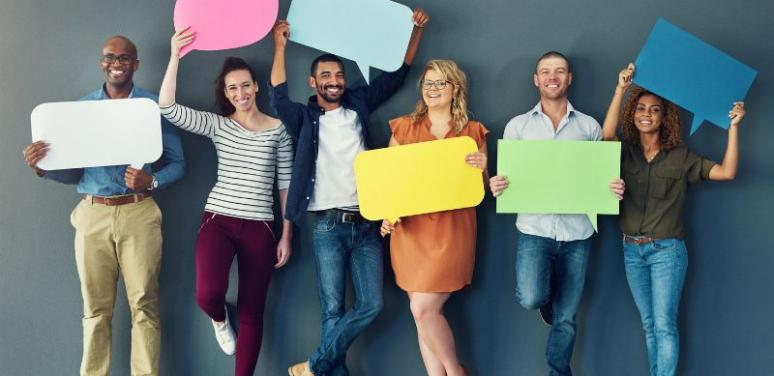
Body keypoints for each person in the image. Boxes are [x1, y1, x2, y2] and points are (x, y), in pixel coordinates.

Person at [269, 9, 429, 376]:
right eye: (326, 75)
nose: (335, 80)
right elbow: (277, 98)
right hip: (326, 225)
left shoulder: (358, 105)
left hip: (367, 222)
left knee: (372, 304)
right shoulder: (304, 118)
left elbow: (398, 76)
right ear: (313, 82)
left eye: (339, 75)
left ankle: (313, 366)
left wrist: (415, 32)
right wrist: (279, 46)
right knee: (332, 309)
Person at [21, 35, 185, 376]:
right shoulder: (80, 110)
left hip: (139, 213)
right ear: (102, 62)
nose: (117, 63)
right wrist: (43, 168)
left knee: (144, 305)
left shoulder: (152, 108)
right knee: (95, 309)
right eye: (111, 57)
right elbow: (74, 172)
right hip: (92, 214)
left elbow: (178, 163)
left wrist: (151, 181)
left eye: (125, 58)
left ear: (135, 64)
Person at [157, 28, 294, 376]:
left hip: (261, 227)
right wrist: (174, 55)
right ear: (226, 93)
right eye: (232, 88)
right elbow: (167, 108)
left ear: (256, 86)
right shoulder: (219, 125)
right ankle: (219, 320)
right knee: (207, 294)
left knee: (252, 311)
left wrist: (286, 234)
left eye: (245, 85)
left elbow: (286, 184)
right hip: (219, 220)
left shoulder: (278, 129)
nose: (240, 93)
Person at [601, 63, 745, 376]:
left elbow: (727, 171)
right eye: (640, 109)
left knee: (664, 325)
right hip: (631, 251)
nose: (647, 114)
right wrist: (620, 90)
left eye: (655, 110)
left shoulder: (681, 156)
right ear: (633, 114)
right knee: (649, 324)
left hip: (667, 252)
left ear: (665, 118)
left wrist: (733, 129)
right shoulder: (624, 153)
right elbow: (607, 134)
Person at [489, 51, 624, 376]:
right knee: (531, 297)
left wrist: (613, 187)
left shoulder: (588, 126)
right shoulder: (518, 126)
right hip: (535, 230)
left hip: (577, 233)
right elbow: (510, 177)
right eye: (546, 71)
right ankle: (547, 301)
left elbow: (600, 175)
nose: (553, 76)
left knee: (566, 317)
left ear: (569, 78)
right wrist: (498, 183)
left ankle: (558, 372)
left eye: (560, 71)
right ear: (536, 80)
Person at [379, 59, 487, 376]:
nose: (433, 89)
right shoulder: (404, 127)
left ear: (456, 89)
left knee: (423, 309)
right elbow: (390, 181)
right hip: (410, 232)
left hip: (453, 232)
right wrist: (386, 214)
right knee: (420, 314)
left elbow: (482, 188)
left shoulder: (473, 131)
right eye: (428, 83)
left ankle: (455, 372)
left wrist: (483, 168)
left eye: (441, 83)